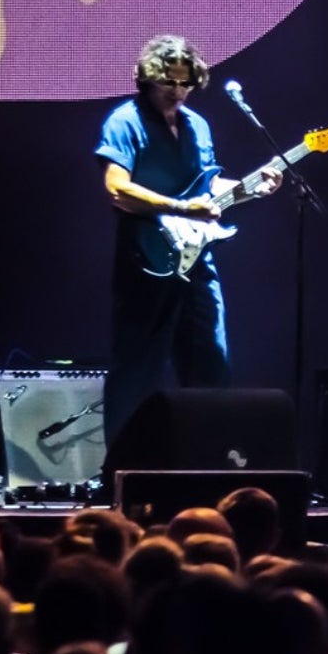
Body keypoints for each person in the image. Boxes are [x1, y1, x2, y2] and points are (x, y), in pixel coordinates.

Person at [97, 35, 279, 463]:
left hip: (199, 260)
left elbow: (208, 189)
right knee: (138, 368)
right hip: (146, 257)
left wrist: (252, 189)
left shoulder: (198, 125)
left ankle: (208, 464)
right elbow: (117, 189)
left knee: (210, 364)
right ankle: (121, 472)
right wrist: (181, 207)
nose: (177, 92)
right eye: (168, 84)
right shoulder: (125, 122)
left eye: (185, 84)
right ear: (147, 80)